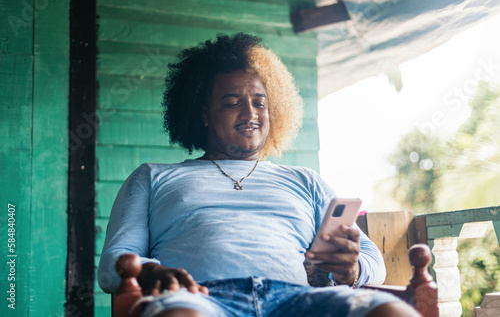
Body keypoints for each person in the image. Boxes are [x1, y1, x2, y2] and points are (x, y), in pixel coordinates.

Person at [98, 33, 419, 317]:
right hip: (200, 299)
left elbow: (373, 262)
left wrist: (352, 268)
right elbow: (114, 263)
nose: (250, 113)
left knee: (391, 310)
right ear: (204, 113)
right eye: (232, 102)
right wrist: (152, 273)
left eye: (259, 103)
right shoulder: (153, 178)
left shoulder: (305, 181)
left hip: (299, 301)